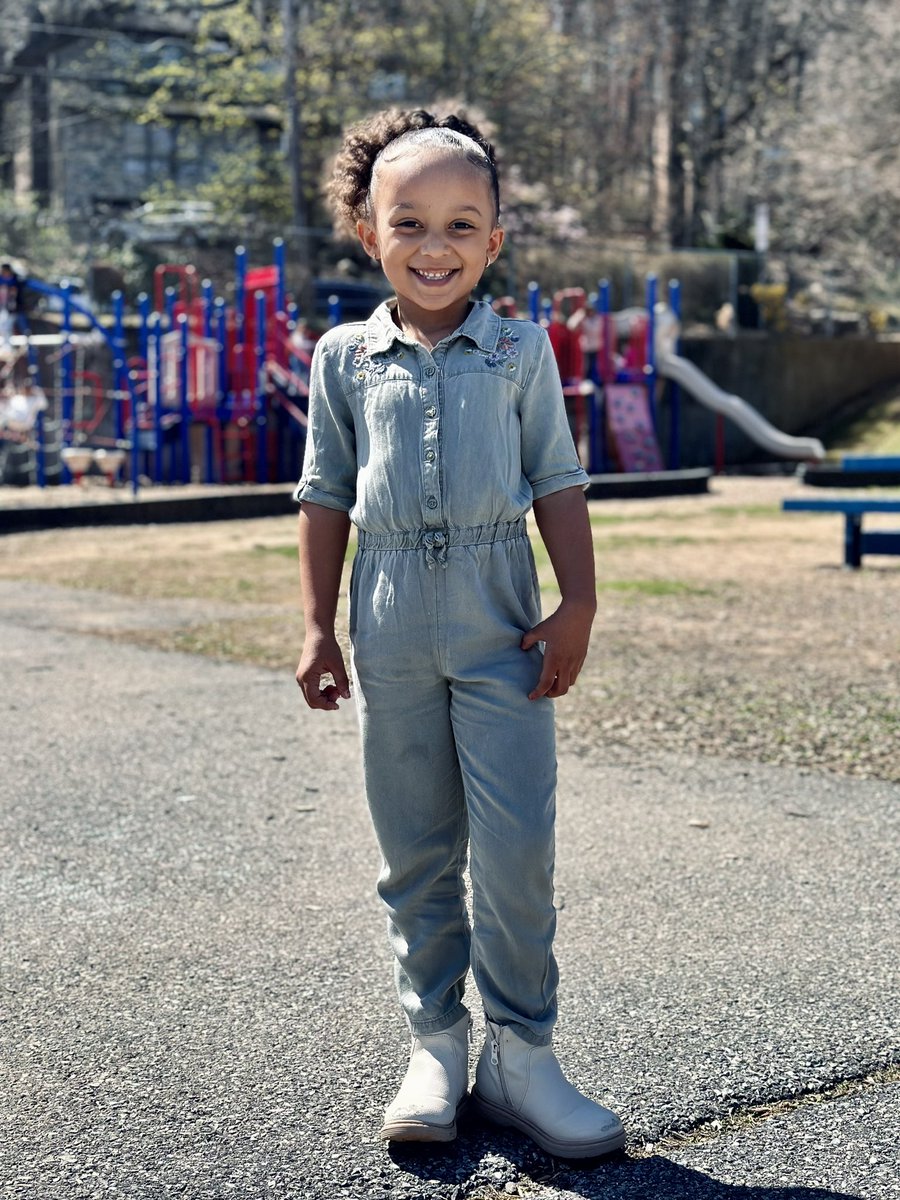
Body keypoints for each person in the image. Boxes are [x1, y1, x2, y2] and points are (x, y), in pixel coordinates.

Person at [294, 108, 625, 1160]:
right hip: (388, 632)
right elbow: (324, 495)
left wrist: (576, 602)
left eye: (460, 225)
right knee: (415, 851)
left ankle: (523, 1057)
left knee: (517, 848)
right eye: (410, 224)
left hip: (501, 633)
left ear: (494, 240)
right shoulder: (344, 358)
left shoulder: (520, 351)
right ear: (368, 232)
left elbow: (559, 481)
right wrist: (315, 626)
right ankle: (435, 1045)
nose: (434, 247)